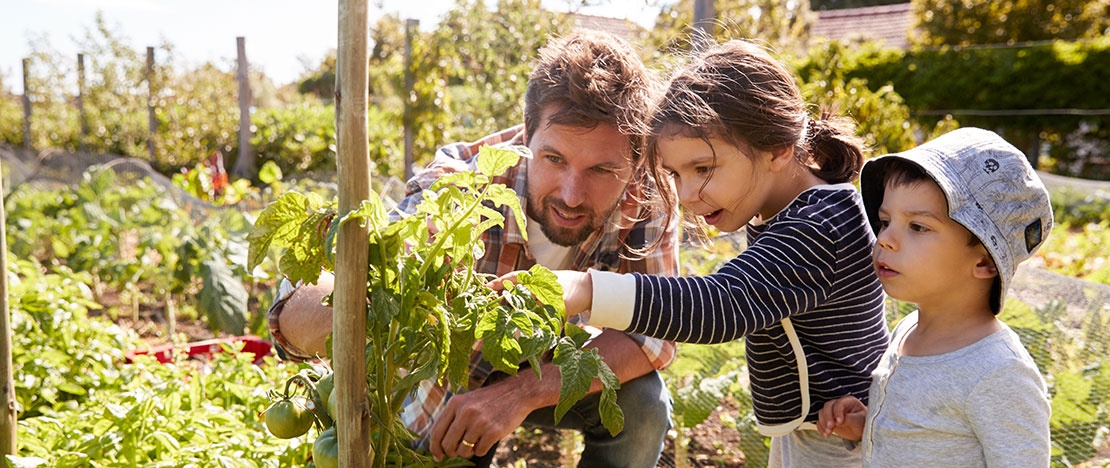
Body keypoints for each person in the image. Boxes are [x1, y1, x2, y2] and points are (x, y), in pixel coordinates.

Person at [267, 30, 679, 467]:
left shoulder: (647, 198)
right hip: (452, 391)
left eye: (602, 169)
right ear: (527, 136)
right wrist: (362, 306)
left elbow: (654, 333)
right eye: (554, 159)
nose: (572, 194)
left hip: (553, 371)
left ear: (635, 161)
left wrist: (522, 392)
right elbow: (302, 303)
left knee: (643, 403)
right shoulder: (461, 188)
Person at [514, 39, 892, 466]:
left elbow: (720, 304)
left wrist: (587, 290)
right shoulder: (788, 212)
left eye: (703, 169)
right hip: (825, 429)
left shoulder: (820, 225)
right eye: (675, 173)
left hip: (854, 440)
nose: (687, 194)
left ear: (778, 149)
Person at [816, 127, 1053, 466]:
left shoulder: (999, 373)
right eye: (885, 221)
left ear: (984, 259)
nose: (886, 239)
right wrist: (867, 427)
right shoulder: (907, 330)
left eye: (918, 227)